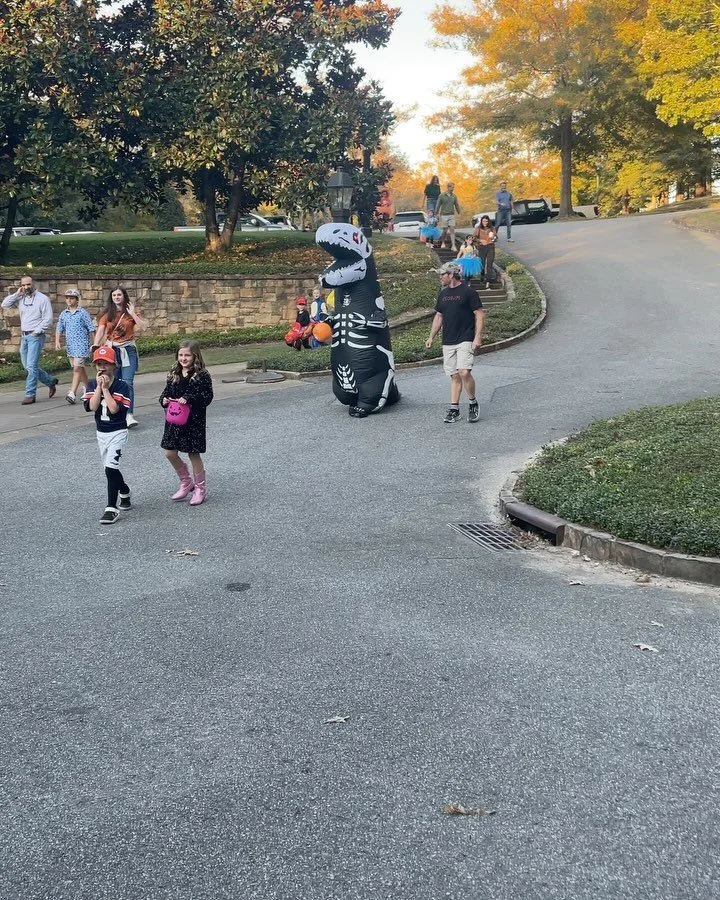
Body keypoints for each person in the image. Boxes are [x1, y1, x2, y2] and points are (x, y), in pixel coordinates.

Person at [424, 261, 485, 424]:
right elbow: (439, 316)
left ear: (451, 274)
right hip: (448, 339)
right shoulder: (443, 294)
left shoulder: (469, 292)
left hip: (465, 337)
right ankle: (454, 409)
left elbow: (479, 314)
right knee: (454, 375)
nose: (440, 278)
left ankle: (472, 402)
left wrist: (477, 336)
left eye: (441, 275)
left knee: (464, 371)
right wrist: (431, 336)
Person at [160, 341, 214, 506]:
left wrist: (190, 398)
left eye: (187, 355)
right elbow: (166, 391)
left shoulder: (202, 375)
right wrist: (163, 399)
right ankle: (186, 481)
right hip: (174, 419)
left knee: (193, 454)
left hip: (193, 421)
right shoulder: (173, 373)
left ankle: (200, 488)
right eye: (181, 355)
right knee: (169, 453)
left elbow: (207, 397)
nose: (183, 358)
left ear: (195, 356)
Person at [82, 345, 132, 525]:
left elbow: (114, 409)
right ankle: (125, 491)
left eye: (106, 363)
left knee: (111, 468)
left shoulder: (122, 387)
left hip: (117, 432)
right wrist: (98, 388)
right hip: (101, 434)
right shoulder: (91, 385)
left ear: (114, 365)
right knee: (109, 469)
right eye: (98, 364)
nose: (102, 367)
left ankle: (111, 508)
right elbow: (92, 407)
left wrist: (105, 390)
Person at [94, 287, 148, 428]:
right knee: (114, 381)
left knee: (128, 382)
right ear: (111, 298)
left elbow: (144, 327)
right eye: (114, 295)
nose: (117, 297)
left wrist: (133, 314)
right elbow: (100, 331)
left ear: (124, 296)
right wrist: (95, 345)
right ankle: (116, 412)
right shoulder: (107, 314)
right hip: (112, 351)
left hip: (128, 349)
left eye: (119, 294)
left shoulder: (131, 312)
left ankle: (129, 414)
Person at [1, 275, 58, 405]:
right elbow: (5, 304)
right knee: (28, 366)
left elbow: (48, 319)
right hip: (24, 336)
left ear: (34, 284)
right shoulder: (21, 298)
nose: (26, 287)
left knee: (31, 366)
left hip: (35, 336)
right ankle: (50, 381)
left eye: (28, 284)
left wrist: (36, 332)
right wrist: (16, 294)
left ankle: (30, 394)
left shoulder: (43, 299)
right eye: (24, 285)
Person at [55, 288, 96, 404]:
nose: (69, 300)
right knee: (79, 368)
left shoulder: (82, 313)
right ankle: (89, 389)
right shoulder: (64, 314)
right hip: (71, 346)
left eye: (71, 298)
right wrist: (57, 341)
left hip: (81, 345)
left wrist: (95, 343)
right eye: (67, 298)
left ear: (77, 300)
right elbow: (59, 328)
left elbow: (91, 328)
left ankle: (72, 392)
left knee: (77, 368)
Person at [473, 215, 497, 287]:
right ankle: (482, 277)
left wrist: (493, 237)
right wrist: (480, 240)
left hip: (490, 246)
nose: (485, 222)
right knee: (482, 264)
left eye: (486, 221)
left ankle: (488, 282)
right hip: (482, 247)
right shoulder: (478, 228)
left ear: (488, 221)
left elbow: (496, 238)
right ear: (481, 221)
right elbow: (473, 238)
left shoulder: (492, 228)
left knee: (489, 264)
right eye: (484, 221)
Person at [436, 182, 462, 251]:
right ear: (448, 187)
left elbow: (456, 205)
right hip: (444, 215)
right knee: (444, 230)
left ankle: (453, 246)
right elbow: (438, 205)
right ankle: (443, 242)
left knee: (452, 229)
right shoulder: (441, 195)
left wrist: (459, 213)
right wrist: (436, 213)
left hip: (451, 215)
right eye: (452, 187)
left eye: (454, 187)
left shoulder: (454, 196)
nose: (453, 189)